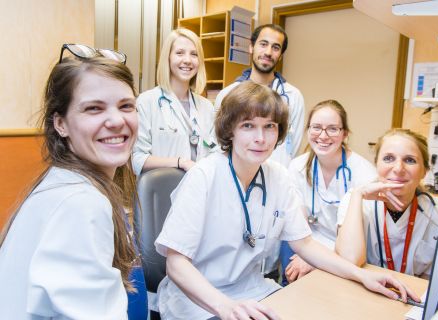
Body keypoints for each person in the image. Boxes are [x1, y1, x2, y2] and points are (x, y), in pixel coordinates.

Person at [155, 81, 417, 320]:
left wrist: (362, 275)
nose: (261, 138)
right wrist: (225, 306)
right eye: (248, 126)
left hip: (252, 291)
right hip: (199, 302)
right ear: (230, 130)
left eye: (269, 126)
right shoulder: (204, 176)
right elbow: (176, 263)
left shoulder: (277, 177)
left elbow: (304, 244)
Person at [0, 45, 147, 319]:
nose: (117, 120)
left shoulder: (60, 183)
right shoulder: (82, 205)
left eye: (126, 106)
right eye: (94, 108)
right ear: (61, 124)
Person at [279, 100, 377, 284]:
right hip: (307, 244)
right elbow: (297, 223)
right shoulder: (298, 166)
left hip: (346, 250)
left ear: (345, 134)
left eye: (332, 129)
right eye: (316, 127)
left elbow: (358, 241)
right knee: (287, 247)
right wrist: (307, 254)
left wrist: (316, 261)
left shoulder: (364, 174)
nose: (323, 136)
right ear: (308, 130)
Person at [336, 128, 438, 278]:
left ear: (425, 170)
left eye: (410, 160)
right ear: (376, 164)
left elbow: (434, 277)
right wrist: (358, 196)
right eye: (388, 158)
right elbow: (350, 260)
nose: (398, 169)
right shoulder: (355, 199)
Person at [214, 24, 304, 168]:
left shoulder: (293, 97)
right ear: (251, 47)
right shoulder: (227, 94)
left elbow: (294, 146)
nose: (268, 52)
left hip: (277, 177)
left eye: (276, 47)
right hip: (236, 175)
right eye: (263, 44)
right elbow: (219, 143)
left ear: (280, 55)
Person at [133, 28, 216, 174]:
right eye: (180, 53)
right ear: (168, 57)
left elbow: (214, 151)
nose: (187, 60)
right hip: (160, 192)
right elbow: (137, 159)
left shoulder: (207, 107)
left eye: (194, 54)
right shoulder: (146, 102)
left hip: (199, 190)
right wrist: (180, 163)